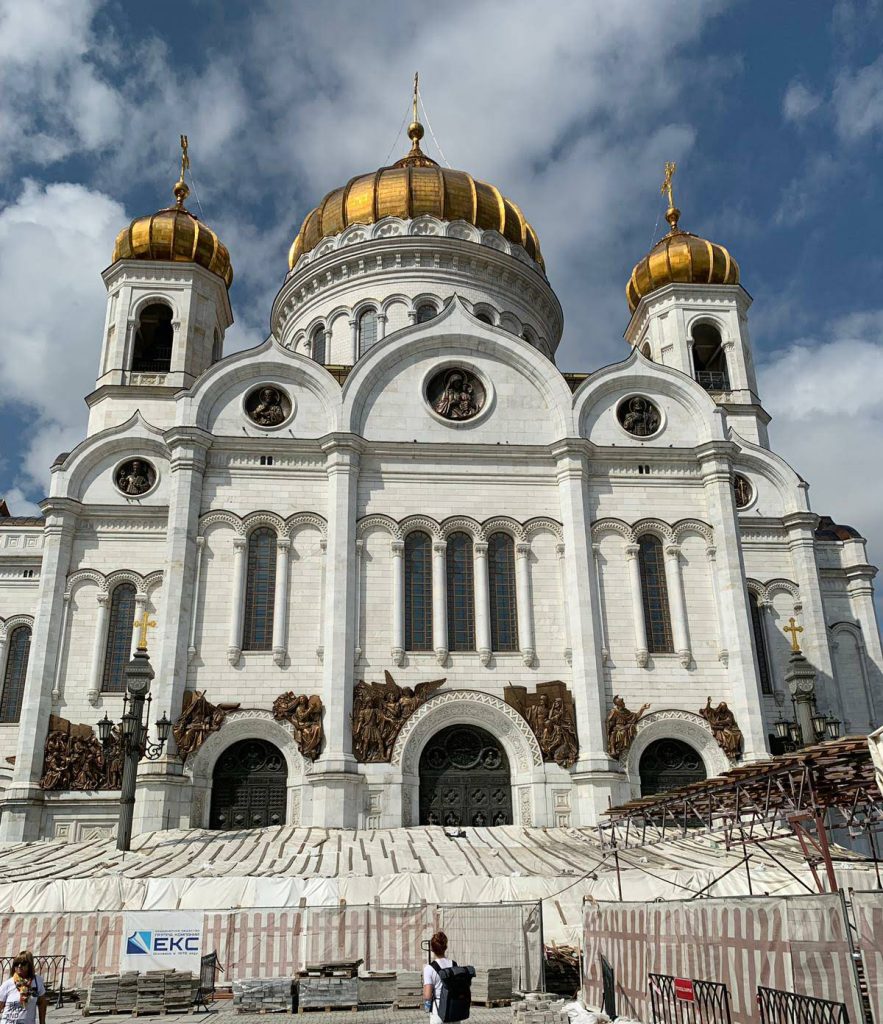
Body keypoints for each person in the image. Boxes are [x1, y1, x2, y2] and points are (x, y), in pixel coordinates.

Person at [0, 952, 47, 1024]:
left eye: (23, 963)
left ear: (29, 964)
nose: (19, 966)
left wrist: (42, 1022)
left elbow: (42, 1003)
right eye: (16, 963)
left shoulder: (37, 981)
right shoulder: (7, 984)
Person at [423, 932, 453, 1024]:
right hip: (453, 1010)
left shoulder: (429, 968)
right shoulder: (454, 964)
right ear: (445, 947)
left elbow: (427, 995)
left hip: (439, 1011)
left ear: (432, 949)